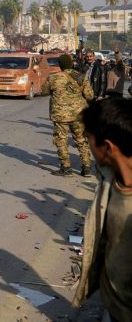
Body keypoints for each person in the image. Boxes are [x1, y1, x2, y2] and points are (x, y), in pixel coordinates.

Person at [72, 98, 132, 320]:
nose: (85, 145)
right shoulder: (110, 179)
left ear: (107, 147)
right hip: (112, 306)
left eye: (89, 139)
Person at [41, 54, 95, 177]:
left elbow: (43, 91)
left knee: (61, 140)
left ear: (60, 65)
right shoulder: (81, 77)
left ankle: (66, 168)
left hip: (61, 115)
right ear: (71, 64)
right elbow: (90, 96)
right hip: (79, 115)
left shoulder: (53, 78)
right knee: (81, 140)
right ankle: (86, 168)